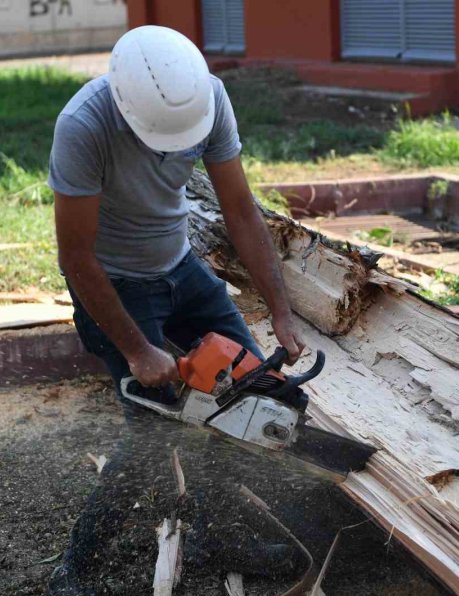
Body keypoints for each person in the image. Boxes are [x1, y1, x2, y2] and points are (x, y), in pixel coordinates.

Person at [48, 25, 304, 403]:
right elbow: (75, 256)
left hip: (182, 267)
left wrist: (281, 312)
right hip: (114, 283)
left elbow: (240, 211)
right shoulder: (83, 126)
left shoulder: (209, 98)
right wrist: (137, 351)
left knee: (260, 392)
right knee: (157, 421)